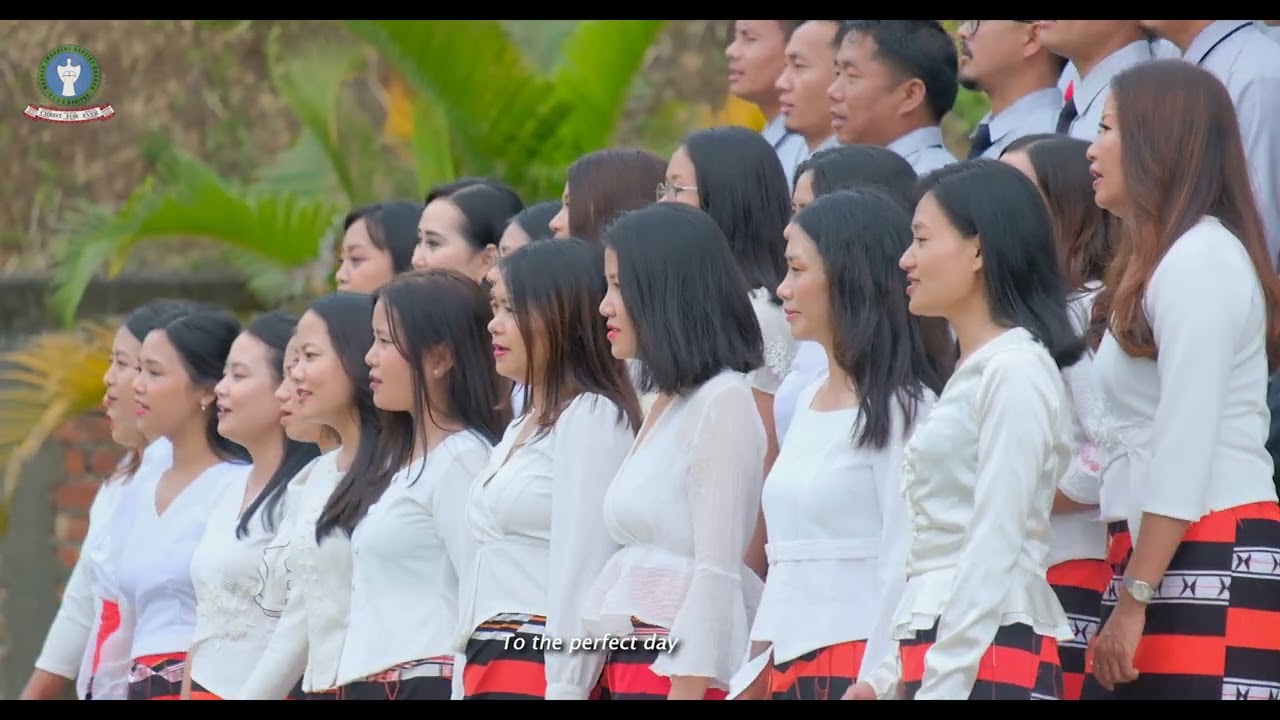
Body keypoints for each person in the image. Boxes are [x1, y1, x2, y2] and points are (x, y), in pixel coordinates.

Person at [849, 159, 1083, 700]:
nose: (906, 259)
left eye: (922, 239)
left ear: (978, 250)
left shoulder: (1015, 370)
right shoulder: (974, 370)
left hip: (985, 652)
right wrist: (889, 677)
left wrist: (944, 681)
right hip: (953, 648)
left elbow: (996, 541)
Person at [1084, 60, 1280, 701]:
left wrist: (1137, 596)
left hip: (1207, 542)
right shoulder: (1165, 261)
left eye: (1108, 128)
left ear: (1156, 142)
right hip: (1159, 552)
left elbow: (1185, 439)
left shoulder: (1201, 260)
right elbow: (1112, 439)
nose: (1092, 148)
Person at [734, 190, 945, 700]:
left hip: (855, 663)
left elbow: (909, 556)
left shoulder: (905, 408)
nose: (782, 289)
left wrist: (880, 677)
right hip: (783, 660)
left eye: (797, 270)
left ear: (849, 275)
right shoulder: (804, 400)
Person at [586, 203, 767, 700]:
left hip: (677, 674)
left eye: (620, 286)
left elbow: (715, 573)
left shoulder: (723, 400)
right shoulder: (669, 401)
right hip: (634, 663)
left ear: (666, 290)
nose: (604, 305)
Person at [460, 239, 641, 699]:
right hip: (487, 660)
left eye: (510, 310)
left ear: (560, 315)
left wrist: (566, 686)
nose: (493, 325)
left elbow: (584, 565)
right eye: (494, 307)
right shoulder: (520, 426)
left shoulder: (593, 415)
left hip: (539, 663)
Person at [334, 270, 506, 699]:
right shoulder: (404, 460)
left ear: (441, 358)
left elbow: (479, 596)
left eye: (386, 342)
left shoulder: (463, 459)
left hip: (423, 679)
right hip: (376, 677)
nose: (370, 357)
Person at [20, 300, 189, 700]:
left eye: (128, 365)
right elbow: (82, 605)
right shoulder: (124, 478)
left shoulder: (200, 479)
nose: (110, 380)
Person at [237, 292, 385, 699]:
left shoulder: (404, 471)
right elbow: (301, 619)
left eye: (309, 356)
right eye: (291, 364)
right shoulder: (318, 476)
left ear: (358, 356)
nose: (295, 377)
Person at [108, 307, 254, 700]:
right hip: (141, 682)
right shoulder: (144, 484)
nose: (136, 385)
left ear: (207, 390)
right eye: (137, 371)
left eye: (154, 373)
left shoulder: (239, 484)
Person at [182, 312, 321, 700]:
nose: (220, 390)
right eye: (224, 375)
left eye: (239, 376)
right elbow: (206, 622)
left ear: (288, 386)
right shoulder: (229, 489)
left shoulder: (310, 489)